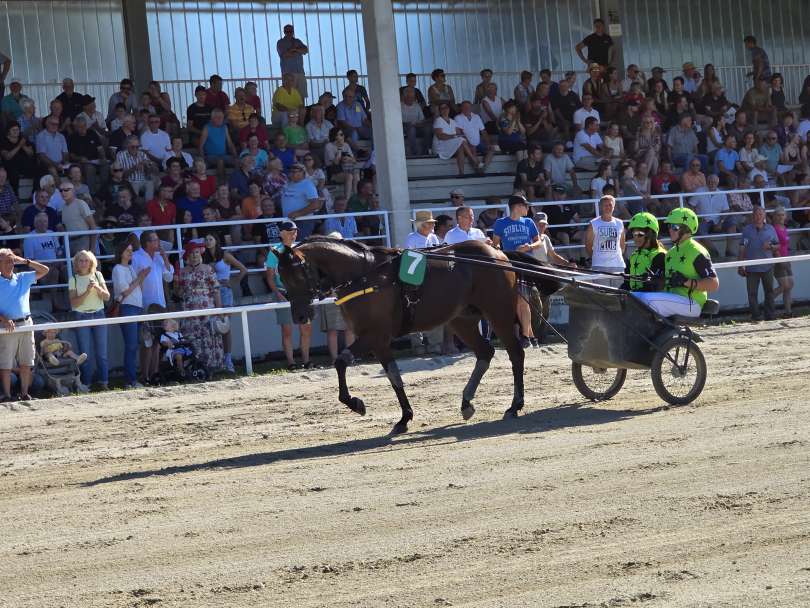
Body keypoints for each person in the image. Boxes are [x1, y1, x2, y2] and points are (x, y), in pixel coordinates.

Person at [633, 208, 719, 318]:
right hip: (673, 298)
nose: (670, 230)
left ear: (687, 229)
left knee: (647, 299)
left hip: (692, 303)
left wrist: (686, 282)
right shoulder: (671, 253)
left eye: (675, 227)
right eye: (669, 227)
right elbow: (668, 282)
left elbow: (713, 284)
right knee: (632, 296)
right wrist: (656, 280)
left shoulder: (697, 251)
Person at [0, 249, 49, 402]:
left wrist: (25, 261)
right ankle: (7, 396)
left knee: (26, 362)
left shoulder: (22, 277)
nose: (11, 263)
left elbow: (45, 270)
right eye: (7, 260)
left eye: (12, 260)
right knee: (6, 364)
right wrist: (3, 319)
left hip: (26, 324)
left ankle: (24, 394)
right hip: (7, 326)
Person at [492, 194, 541, 348]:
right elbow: (496, 245)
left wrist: (529, 247)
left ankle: (526, 336)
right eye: (525, 205)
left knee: (522, 300)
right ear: (517, 206)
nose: (527, 208)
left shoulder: (529, 222)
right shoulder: (500, 223)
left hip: (525, 263)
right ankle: (531, 337)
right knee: (519, 300)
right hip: (509, 264)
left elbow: (538, 241)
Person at [265, 220, 312, 370]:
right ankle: (291, 363)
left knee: (305, 329)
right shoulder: (274, 251)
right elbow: (270, 277)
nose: (294, 234)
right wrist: (278, 294)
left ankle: (306, 361)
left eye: (295, 231)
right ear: (282, 233)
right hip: (284, 293)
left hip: (301, 294)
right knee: (287, 330)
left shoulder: (300, 249)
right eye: (290, 231)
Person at [175, 241, 224, 373]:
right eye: (191, 253)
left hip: (207, 309)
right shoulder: (183, 272)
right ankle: (194, 368)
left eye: (197, 252)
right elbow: (178, 293)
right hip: (190, 312)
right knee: (192, 338)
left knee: (209, 338)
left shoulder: (208, 269)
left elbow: (216, 290)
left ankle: (211, 367)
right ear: (187, 256)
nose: (194, 255)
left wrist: (219, 310)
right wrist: (177, 284)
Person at [132, 231, 173, 384]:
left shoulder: (157, 257)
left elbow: (168, 277)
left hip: (159, 305)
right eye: (156, 240)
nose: (159, 243)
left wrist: (165, 258)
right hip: (145, 305)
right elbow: (134, 280)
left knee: (157, 342)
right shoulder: (136, 257)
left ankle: (154, 374)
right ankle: (144, 375)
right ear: (147, 243)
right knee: (146, 343)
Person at [203, 232, 247, 373]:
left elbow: (243, 269)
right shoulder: (203, 257)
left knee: (225, 327)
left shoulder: (225, 255)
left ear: (216, 240)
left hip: (225, 292)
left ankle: (228, 360)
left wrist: (232, 283)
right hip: (210, 293)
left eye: (210, 239)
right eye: (206, 239)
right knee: (212, 326)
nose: (208, 241)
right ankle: (216, 360)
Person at [68, 250, 110, 389]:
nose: (84, 263)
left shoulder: (98, 275)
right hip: (81, 316)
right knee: (85, 353)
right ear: (77, 264)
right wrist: (87, 291)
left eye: (86, 260)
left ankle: (104, 382)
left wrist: (96, 287)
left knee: (102, 353)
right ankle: (86, 384)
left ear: (91, 262)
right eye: (81, 260)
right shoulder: (73, 279)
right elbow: (74, 303)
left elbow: (107, 297)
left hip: (99, 314)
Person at [112, 240, 149, 389]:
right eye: (127, 250)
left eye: (131, 250)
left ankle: (132, 379)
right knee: (131, 345)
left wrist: (140, 278)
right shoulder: (117, 269)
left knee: (135, 345)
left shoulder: (130, 268)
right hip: (128, 308)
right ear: (121, 252)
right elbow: (125, 291)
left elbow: (136, 288)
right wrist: (140, 277)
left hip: (137, 307)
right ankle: (130, 380)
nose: (130, 253)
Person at [738, 205, 778, 321]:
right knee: (752, 294)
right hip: (751, 268)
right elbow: (742, 248)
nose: (758, 217)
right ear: (752, 216)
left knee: (769, 292)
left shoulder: (771, 229)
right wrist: (740, 265)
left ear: (764, 215)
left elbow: (778, 245)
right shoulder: (746, 230)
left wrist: (770, 246)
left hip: (768, 267)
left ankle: (770, 315)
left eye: (760, 214)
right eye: (755, 214)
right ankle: (756, 316)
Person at [433, 101, 479, 176]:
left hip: (450, 144)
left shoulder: (453, 121)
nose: (445, 110)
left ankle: (461, 173)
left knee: (460, 145)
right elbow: (440, 136)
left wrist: (462, 138)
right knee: (460, 140)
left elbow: (459, 134)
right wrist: (454, 136)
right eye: (442, 108)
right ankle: (474, 160)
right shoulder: (438, 120)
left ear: (449, 109)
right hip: (441, 146)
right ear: (440, 111)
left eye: (446, 108)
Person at [585, 195, 626, 278]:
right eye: (605, 205)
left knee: (618, 291)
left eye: (610, 205)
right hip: (599, 265)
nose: (608, 207)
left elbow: (622, 245)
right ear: (601, 207)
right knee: (599, 291)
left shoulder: (620, 223)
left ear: (614, 206)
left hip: (617, 265)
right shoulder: (593, 223)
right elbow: (588, 245)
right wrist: (596, 257)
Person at [625, 212, 666, 292]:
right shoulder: (634, 255)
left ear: (650, 234)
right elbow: (626, 284)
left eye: (640, 234)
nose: (636, 238)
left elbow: (653, 287)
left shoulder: (660, 255)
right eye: (634, 234)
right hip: (635, 299)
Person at [280, 163, 321, 238]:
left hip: (302, 221)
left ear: (303, 173)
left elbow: (315, 204)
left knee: (299, 246)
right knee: (288, 246)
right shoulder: (288, 184)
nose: (292, 173)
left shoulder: (307, 185)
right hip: (288, 220)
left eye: (295, 171)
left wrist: (298, 213)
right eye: (290, 171)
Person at [770, 206, 793, 317]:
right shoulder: (773, 229)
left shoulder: (785, 227)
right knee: (784, 286)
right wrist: (780, 260)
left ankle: (788, 312)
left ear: (786, 216)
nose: (780, 217)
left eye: (782, 215)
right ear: (774, 217)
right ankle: (767, 303)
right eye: (778, 215)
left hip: (786, 258)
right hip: (779, 260)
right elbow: (774, 246)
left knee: (790, 285)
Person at [277, 24, 309, 100]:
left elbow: (306, 50)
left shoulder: (298, 41)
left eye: (291, 31)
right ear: (284, 32)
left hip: (300, 72)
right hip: (289, 74)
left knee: (301, 96)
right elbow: (284, 55)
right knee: (290, 96)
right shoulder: (281, 42)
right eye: (287, 31)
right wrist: (298, 50)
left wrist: (293, 50)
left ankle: (301, 111)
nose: (289, 33)